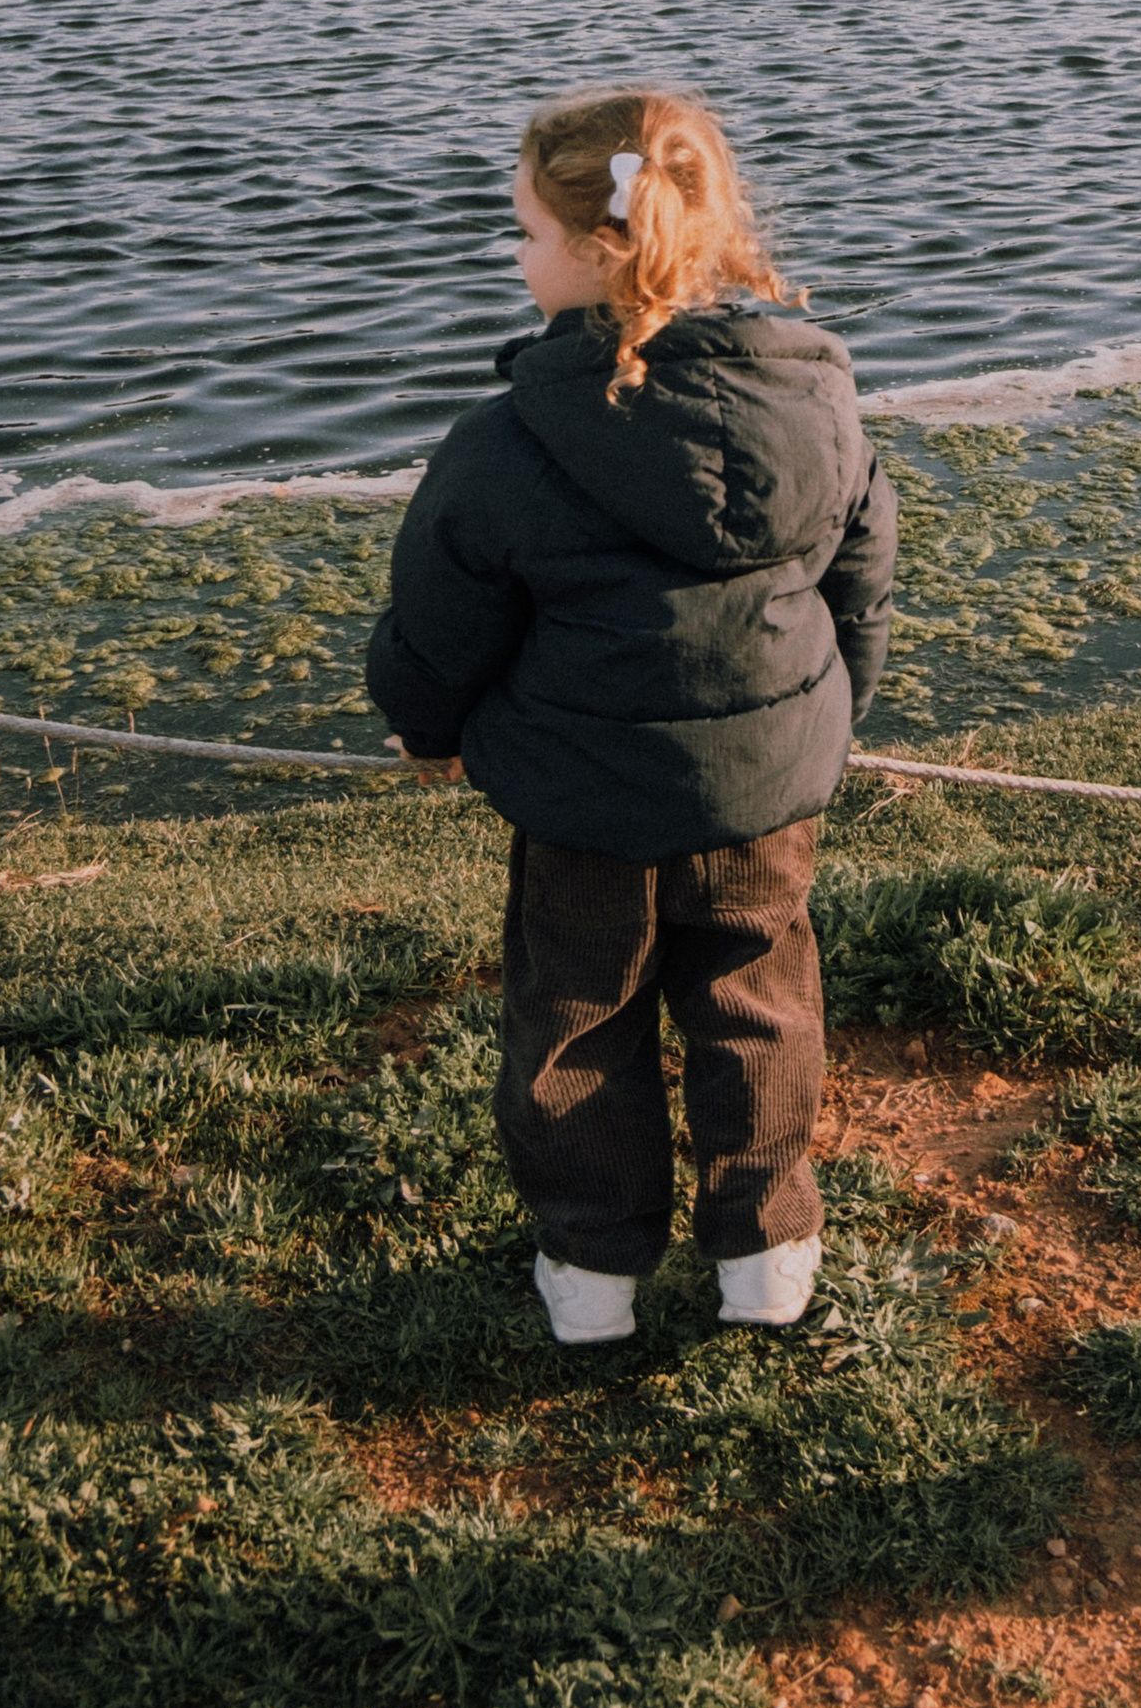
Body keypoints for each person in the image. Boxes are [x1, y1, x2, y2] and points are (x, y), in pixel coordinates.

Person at [368, 85, 896, 1346]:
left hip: (584, 800)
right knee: (757, 1002)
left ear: (600, 251)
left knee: (577, 1013)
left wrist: (424, 724)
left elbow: (441, 617)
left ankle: (594, 1277)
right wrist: (827, 713)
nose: (514, 256)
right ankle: (765, 1259)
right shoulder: (813, 397)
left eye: (524, 235)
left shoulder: (508, 440)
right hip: (763, 791)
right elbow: (860, 571)